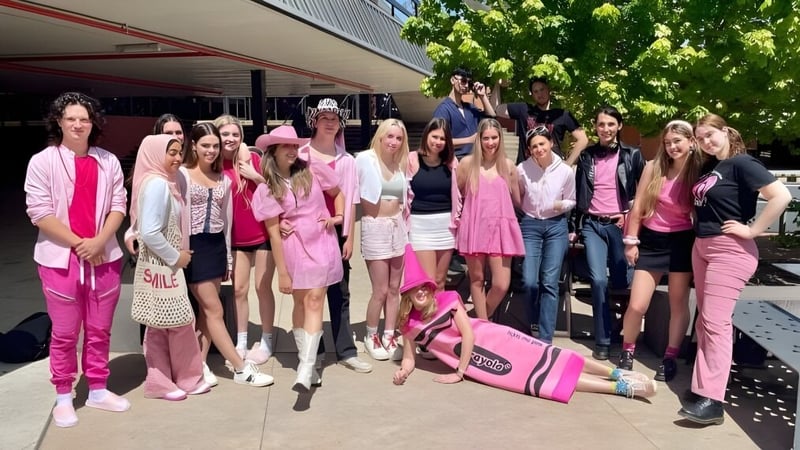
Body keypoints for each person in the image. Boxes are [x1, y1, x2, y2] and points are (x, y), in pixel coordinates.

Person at [392, 245, 657, 401]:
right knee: (543, 381)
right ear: (407, 295)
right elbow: (409, 358)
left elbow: (468, 335)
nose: (422, 293)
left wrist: (459, 373)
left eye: (424, 288)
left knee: (552, 355)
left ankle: (616, 373)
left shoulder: (448, 299)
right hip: (483, 362)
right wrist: (404, 372)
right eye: (416, 290)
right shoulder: (409, 325)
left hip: (492, 340)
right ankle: (622, 389)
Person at [25, 92, 130, 427]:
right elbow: (39, 213)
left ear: (92, 123)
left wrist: (99, 242)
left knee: (100, 329)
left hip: (105, 257)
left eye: (84, 119)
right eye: (71, 118)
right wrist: (79, 244)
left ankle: (98, 388)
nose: (78, 124)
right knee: (66, 332)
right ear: (59, 121)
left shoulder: (108, 161)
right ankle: (63, 395)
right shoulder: (42, 162)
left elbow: (119, 205)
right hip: (60, 261)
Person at [678, 114, 791, 425]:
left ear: (724, 131)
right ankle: (702, 388)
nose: (706, 142)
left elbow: (781, 195)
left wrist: (752, 229)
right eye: (700, 138)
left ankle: (713, 401)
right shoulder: (711, 167)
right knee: (705, 323)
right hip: (703, 247)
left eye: (710, 135)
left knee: (715, 324)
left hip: (731, 250)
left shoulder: (742, 163)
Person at [252, 125, 345, 391]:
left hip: (322, 243)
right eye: (287, 146)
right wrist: (282, 272)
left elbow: (338, 192)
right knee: (301, 304)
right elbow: (273, 233)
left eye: (295, 146)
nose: (293, 151)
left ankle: (306, 364)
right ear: (274, 151)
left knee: (316, 300)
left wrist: (336, 218)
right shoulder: (268, 188)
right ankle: (309, 362)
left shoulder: (312, 169)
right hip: (293, 249)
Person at [182, 122, 273, 387]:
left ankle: (198, 365)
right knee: (214, 308)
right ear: (194, 146)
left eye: (215, 146)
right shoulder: (183, 176)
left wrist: (228, 258)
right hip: (192, 247)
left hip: (217, 247)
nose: (211, 150)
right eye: (205, 145)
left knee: (205, 313)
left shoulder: (222, 177)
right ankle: (240, 367)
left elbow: (226, 219)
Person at [129, 134, 211, 401]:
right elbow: (150, 232)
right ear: (154, 154)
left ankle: (169, 380)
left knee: (164, 324)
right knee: (173, 323)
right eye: (171, 153)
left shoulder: (163, 182)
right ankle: (171, 380)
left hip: (162, 266)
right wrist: (176, 258)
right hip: (164, 265)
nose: (177, 158)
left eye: (179, 152)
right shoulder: (157, 185)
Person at [618, 120, 701, 381]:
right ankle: (627, 351)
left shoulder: (699, 170)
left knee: (678, 304)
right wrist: (631, 241)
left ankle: (670, 356)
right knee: (637, 304)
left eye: (678, 141)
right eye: (668, 142)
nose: (672, 146)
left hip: (682, 242)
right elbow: (638, 206)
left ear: (691, 142)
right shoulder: (654, 167)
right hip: (652, 241)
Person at [298, 98, 372, 374]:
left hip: (336, 234)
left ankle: (346, 351)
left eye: (334, 118)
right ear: (314, 121)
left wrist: (349, 236)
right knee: (311, 295)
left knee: (340, 294)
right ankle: (314, 354)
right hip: (307, 234)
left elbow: (351, 200)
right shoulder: (301, 154)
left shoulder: (347, 161)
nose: (330, 122)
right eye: (324, 117)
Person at [573, 106, 644, 361]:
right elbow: (578, 191)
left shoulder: (633, 155)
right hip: (592, 224)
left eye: (610, 124)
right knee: (598, 281)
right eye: (601, 124)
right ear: (595, 127)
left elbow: (641, 193)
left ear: (619, 126)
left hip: (619, 226)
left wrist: (629, 215)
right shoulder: (587, 156)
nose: (605, 129)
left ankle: (620, 330)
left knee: (622, 282)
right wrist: (575, 227)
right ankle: (602, 340)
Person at [215, 114, 276, 374]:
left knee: (263, 287)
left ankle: (267, 340)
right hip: (235, 238)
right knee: (239, 290)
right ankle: (240, 341)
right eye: (225, 134)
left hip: (262, 233)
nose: (230, 139)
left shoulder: (252, 159)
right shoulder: (213, 163)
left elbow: (278, 189)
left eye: (235, 134)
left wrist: (255, 175)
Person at [456, 118, 524, 320]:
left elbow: (517, 200)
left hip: (501, 228)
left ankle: (474, 320)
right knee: (476, 280)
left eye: (494, 137)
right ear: (479, 139)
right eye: (486, 138)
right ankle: (483, 327)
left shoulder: (508, 166)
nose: (490, 142)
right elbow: (458, 193)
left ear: (500, 139)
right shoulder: (467, 164)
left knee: (501, 284)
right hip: (475, 225)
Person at [355, 118, 410, 361]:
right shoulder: (365, 159)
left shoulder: (401, 163)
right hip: (374, 226)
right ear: (380, 136)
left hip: (397, 225)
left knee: (394, 288)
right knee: (379, 289)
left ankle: (389, 332)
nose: (394, 142)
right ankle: (371, 334)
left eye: (398, 138)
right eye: (390, 136)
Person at [516, 126, 576, 343]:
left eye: (542, 144)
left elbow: (572, 200)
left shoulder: (565, 171)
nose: (539, 149)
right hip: (530, 225)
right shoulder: (522, 169)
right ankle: (533, 319)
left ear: (551, 143)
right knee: (530, 280)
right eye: (534, 146)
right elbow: (518, 195)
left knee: (549, 281)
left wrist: (558, 205)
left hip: (556, 226)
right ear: (529, 150)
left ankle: (545, 337)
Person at [407, 117, 460, 291]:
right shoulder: (412, 159)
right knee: (427, 281)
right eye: (434, 136)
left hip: (446, 227)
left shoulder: (452, 163)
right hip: (420, 227)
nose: (438, 142)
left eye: (443, 139)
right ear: (426, 135)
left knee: (440, 281)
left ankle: (440, 318)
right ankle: (426, 318)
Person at [493, 76, 589, 165]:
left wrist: (568, 163)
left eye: (542, 89)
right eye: (536, 91)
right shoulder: (524, 110)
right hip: (527, 172)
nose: (540, 94)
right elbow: (496, 109)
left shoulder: (562, 115)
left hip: (552, 171)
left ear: (548, 89)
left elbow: (583, 139)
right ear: (532, 95)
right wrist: (497, 84)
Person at [432, 67, 496, 159]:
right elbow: (438, 141)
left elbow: (492, 119)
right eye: (463, 81)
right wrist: (469, 140)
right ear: (453, 80)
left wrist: (483, 96)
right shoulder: (443, 109)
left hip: (475, 159)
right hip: (455, 160)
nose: (466, 86)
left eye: (469, 83)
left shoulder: (470, 108)